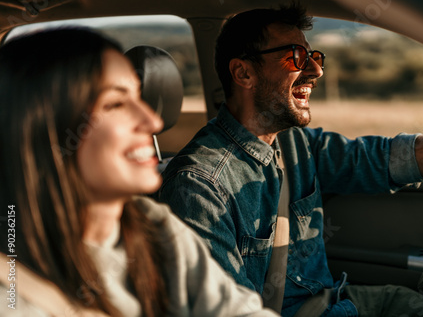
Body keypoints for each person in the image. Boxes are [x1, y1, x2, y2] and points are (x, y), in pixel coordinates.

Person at [157, 3, 423, 316]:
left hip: (334, 303)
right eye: (295, 57)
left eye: (313, 55)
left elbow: (382, 161)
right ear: (243, 73)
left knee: (408, 303)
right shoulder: (198, 185)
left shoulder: (293, 142)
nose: (315, 70)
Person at [0, 27, 278, 317]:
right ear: (41, 132)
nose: (152, 121)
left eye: (139, 97)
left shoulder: (154, 228)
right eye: (116, 103)